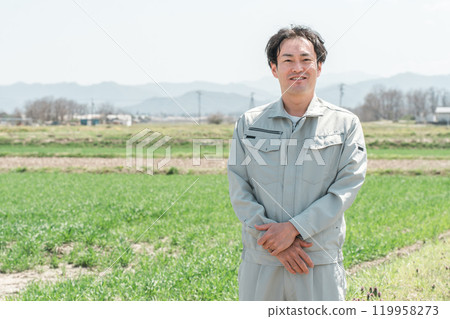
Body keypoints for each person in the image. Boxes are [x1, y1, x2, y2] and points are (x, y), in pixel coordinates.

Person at [227, 25, 367, 301]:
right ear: (273, 68)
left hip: (317, 261)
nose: (297, 67)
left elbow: (345, 189)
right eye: (287, 60)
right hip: (262, 262)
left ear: (320, 66)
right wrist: (276, 244)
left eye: (306, 59)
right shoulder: (250, 124)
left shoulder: (345, 124)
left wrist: (293, 230)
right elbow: (239, 187)